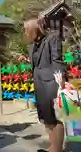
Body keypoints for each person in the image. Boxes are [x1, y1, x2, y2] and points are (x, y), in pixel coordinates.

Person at [20, 17, 66, 152]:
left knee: (54, 117)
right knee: (45, 117)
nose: (25, 33)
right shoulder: (33, 45)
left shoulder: (53, 38)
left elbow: (57, 59)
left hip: (51, 82)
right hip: (39, 82)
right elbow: (38, 61)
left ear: (34, 29)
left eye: (26, 30)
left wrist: (61, 79)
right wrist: (27, 59)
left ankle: (57, 149)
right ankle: (53, 146)